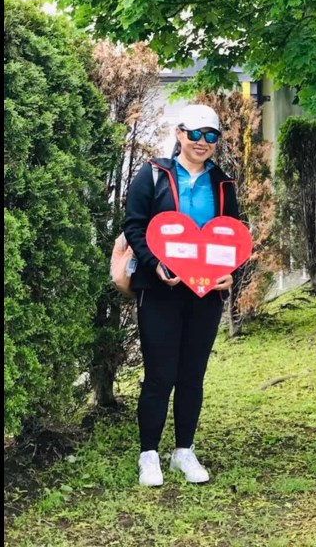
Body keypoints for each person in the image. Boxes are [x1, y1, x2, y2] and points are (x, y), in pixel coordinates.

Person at [124, 104, 240, 487]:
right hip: (160, 290)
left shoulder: (223, 184)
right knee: (160, 375)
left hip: (205, 293)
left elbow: (231, 236)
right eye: (195, 134)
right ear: (179, 133)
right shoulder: (154, 174)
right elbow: (135, 226)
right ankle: (149, 455)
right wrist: (154, 263)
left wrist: (229, 275)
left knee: (192, 375)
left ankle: (184, 452)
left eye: (211, 136)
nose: (202, 142)